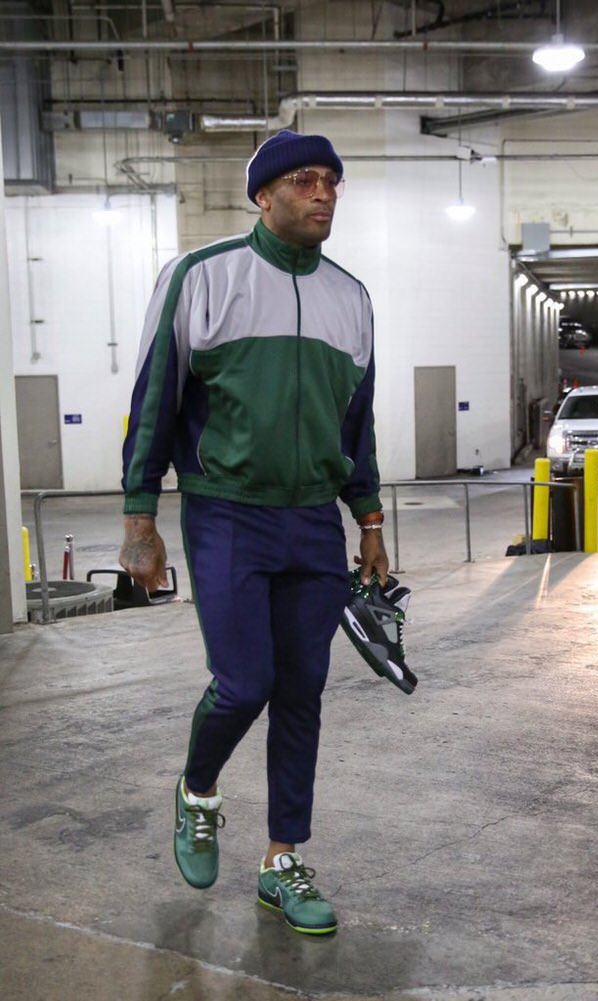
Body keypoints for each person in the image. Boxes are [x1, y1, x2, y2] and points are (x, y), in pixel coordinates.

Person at [119, 129, 389, 936]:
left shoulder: (353, 298)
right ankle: (199, 790)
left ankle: (283, 860)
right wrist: (141, 517)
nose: (324, 193)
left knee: (302, 690)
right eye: (305, 180)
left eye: (333, 182)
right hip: (226, 510)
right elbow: (155, 395)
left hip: (313, 519)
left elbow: (358, 424)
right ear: (262, 195)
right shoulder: (202, 277)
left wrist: (368, 522)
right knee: (244, 682)